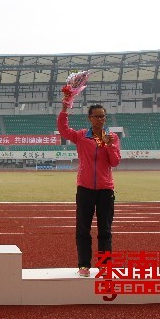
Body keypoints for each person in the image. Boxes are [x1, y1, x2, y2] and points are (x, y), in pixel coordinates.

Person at [57, 97, 121, 277]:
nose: (101, 119)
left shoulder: (112, 137)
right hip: (85, 188)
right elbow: (63, 129)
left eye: (104, 117)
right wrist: (65, 107)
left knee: (105, 230)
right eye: (97, 116)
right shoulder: (82, 136)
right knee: (83, 228)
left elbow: (115, 162)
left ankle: (105, 266)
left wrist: (109, 146)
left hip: (105, 189)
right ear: (90, 118)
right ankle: (84, 265)